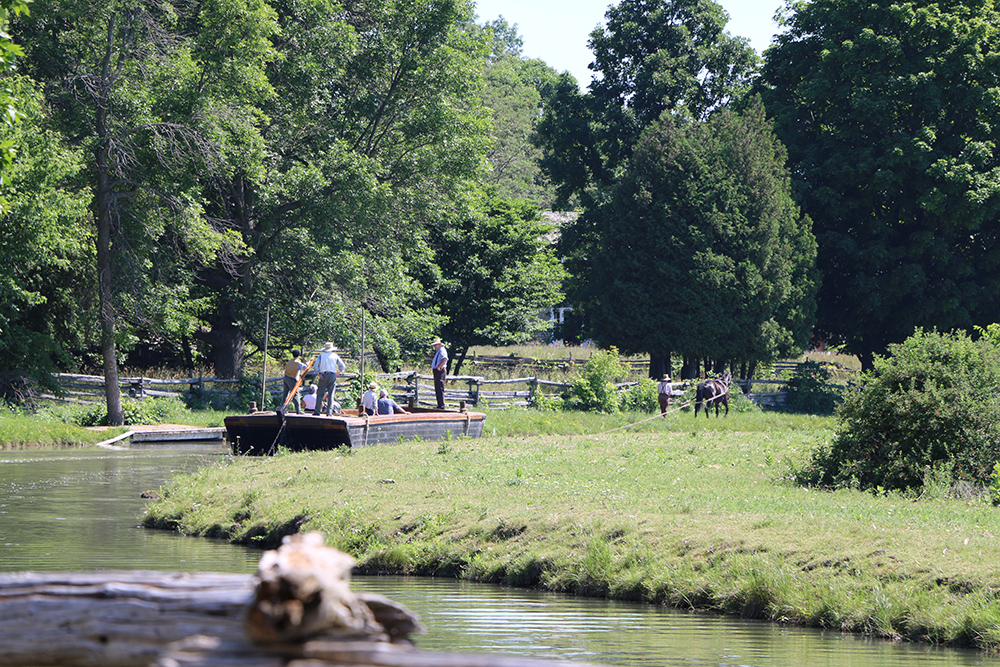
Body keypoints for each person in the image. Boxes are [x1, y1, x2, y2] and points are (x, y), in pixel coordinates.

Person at [313, 342, 346, 416]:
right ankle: (329, 412)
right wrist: (337, 373)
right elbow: (342, 366)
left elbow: (315, 365)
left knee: (320, 393)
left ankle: (317, 411)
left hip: (323, 374)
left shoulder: (321, 355)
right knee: (331, 394)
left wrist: (318, 373)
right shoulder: (335, 356)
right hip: (332, 375)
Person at [431, 337, 448, 409]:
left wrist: (439, 366)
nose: (434, 347)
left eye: (436, 345)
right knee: (438, 387)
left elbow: (445, 359)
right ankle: (439, 404)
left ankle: (441, 405)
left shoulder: (442, 350)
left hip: (440, 371)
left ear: (439, 344)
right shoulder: (439, 351)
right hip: (437, 370)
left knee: (440, 387)